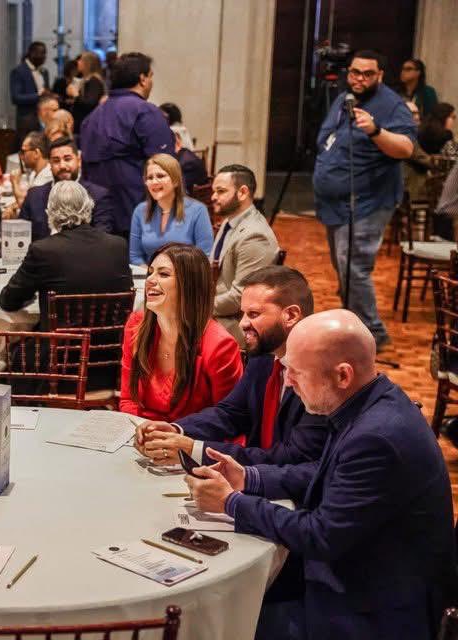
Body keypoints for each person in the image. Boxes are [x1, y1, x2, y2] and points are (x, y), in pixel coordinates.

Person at [185, 309, 455, 640]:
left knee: (223, 625)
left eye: (296, 372)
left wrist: (232, 503)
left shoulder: (377, 437)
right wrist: (249, 478)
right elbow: (324, 471)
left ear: (343, 375)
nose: (287, 381)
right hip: (362, 570)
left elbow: (320, 536)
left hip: (374, 607)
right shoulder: (371, 399)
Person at [137, 265, 327, 466]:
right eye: (242, 313)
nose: (242, 323)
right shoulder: (263, 357)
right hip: (254, 478)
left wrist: (194, 450)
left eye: (253, 314)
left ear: (290, 315)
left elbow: (291, 458)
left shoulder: (320, 373)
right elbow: (231, 413)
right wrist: (176, 430)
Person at [313, 49, 416, 350]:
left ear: (380, 75)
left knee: (353, 265)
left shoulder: (390, 105)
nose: (360, 79)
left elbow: (406, 148)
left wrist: (376, 130)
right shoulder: (344, 97)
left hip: (368, 201)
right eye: (355, 72)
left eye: (368, 74)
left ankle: (373, 333)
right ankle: (353, 326)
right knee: (342, 265)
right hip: (336, 204)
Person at [119, 242, 242, 421]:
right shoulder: (136, 324)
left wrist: (172, 436)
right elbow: (128, 399)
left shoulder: (220, 345)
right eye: (150, 272)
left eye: (163, 274)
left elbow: (228, 419)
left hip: (190, 440)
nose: (150, 280)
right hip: (139, 433)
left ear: (190, 285)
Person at [0, 180, 132, 323]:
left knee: (8, 340)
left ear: (50, 211)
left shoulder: (43, 250)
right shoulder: (118, 245)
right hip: (111, 343)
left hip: (60, 343)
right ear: (89, 206)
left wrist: (33, 291)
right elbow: (126, 294)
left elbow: (8, 301)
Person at [79, 52, 175, 237]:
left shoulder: (91, 118)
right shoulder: (146, 112)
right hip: (139, 221)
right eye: (151, 76)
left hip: (98, 220)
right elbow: (166, 168)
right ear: (142, 79)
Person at [211, 164, 279, 346]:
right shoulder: (230, 221)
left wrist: (197, 306)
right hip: (221, 311)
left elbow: (239, 298)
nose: (213, 197)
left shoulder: (254, 236)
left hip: (235, 324)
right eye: (214, 191)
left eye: (221, 191)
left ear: (242, 192)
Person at [18, 136, 115, 240]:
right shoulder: (34, 196)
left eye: (67, 159)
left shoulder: (98, 195)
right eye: (56, 161)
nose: (62, 166)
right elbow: (21, 236)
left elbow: (102, 239)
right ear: (50, 164)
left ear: (79, 161)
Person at [129, 153, 212, 265]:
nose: (154, 182)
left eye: (160, 176)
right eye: (149, 178)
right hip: (151, 277)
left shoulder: (198, 210)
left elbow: (205, 256)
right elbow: (135, 256)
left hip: (186, 278)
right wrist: (153, 274)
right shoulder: (140, 211)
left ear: (175, 180)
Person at [11, 41, 50, 149]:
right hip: (27, 121)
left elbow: (46, 91)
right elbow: (16, 97)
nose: (44, 57)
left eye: (45, 53)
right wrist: (38, 96)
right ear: (32, 53)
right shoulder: (19, 71)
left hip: (44, 119)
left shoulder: (44, 72)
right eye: (41, 53)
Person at [68, 51, 106, 133]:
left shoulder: (94, 81)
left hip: (88, 126)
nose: (78, 62)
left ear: (88, 64)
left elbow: (89, 103)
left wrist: (75, 94)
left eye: (81, 60)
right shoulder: (87, 79)